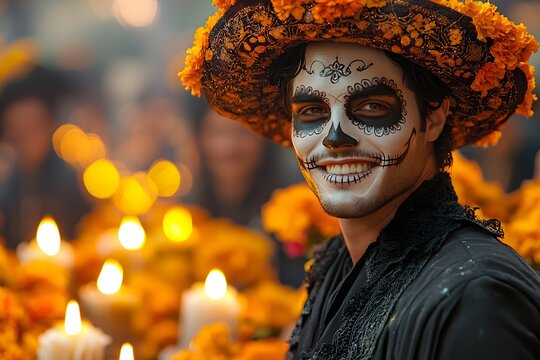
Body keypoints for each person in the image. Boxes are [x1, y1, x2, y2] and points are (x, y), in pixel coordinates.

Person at [179, 0, 540, 358]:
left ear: (433, 120)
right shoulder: (339, 265)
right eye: (312, 111)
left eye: (371, 107)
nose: (335, 137)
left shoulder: (477, 298)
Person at [0, 67, 90, 248]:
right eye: (18, 131)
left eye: (33, 129)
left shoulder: (69, 182)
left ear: (50, 125)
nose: (26, 139)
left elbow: (84, 235)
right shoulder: (7, 185)